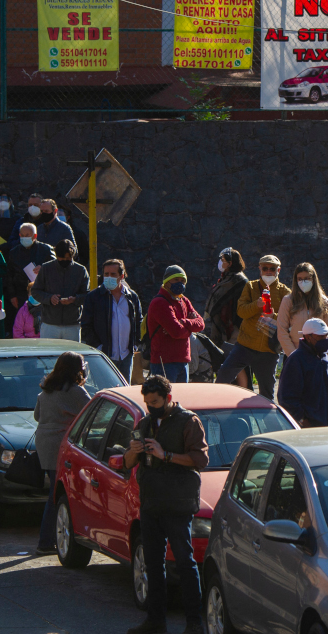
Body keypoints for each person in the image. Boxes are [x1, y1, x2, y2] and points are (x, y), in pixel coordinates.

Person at [124, 376, 209, 634]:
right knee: (153, 563)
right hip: (151, 502)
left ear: (168, 398)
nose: (151, 407)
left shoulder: (188, 421)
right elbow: (128, 462)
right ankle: (155, 621)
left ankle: (194, 623)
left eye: (156, 402)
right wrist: (134, 450)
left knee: (185, 562)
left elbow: (200, 459)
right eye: (148, 403)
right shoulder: (145, 423)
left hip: (178, 503)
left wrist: (166, 455)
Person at [33, 352, 92, 555]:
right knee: (55, 495)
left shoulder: (47, 389)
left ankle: (49, 540)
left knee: (55, 490)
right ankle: (45, 541)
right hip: (60, 444)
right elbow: (94, 412)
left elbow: (37, 415)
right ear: (78, 369)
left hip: (44, 442)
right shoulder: (75, 391)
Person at [214, 255, 289, 399]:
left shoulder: (285, 292)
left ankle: (266, 420)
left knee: (267, 393)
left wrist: (274, 316)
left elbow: (289, 319)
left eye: (272, 269)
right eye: (265, 268)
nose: (268, 271)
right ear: (260, 269)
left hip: (268, 351)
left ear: (278, 270)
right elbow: (240, 311)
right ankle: (214, 407)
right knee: (223, 377)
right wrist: (256, 305)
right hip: (245, 346)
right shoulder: (251, 286)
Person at [80, 259, 142, 380]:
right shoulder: (94, 297)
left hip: (126, 355)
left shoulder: (132, 296)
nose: (109, 277)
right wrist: (98, 347)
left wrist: (135, 344)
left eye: (113, 274)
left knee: (124, 391)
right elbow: (86, 325)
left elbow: (138, 321)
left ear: (121, 276)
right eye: (106, 274)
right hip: (104, 355)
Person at [146, 266, 205, 383]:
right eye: (176, 280)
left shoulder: (184, 301)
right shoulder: (160, 302)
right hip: (164, 363)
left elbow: (201, 324)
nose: (180, 283)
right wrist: (189, 329)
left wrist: (184, 322)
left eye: (182, 281)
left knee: (181, 400)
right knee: (166, 399)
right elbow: (177, 332)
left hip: (183, 361)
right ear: (167, 282)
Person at [277, 318, 328, 427]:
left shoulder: (325, 358)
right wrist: (302, 421)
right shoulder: (296, 360)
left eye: (326, 336)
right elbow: (286, 399)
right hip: (310, 427)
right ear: (308, 337)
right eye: (320, 336)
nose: (325, 339)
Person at [203, 247, 250, 387]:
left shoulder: (239, 280)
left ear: (230, 263)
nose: (220, 263)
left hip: (234, 329)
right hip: (221, 328)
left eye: (222, 260)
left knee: (236, 364)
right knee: (223, 362)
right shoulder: (225, 279)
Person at [31, 239, 89, 341]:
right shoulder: (46, 268)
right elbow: (35, 291)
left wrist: (74, 299)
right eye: (61, 258)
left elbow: (87, 295)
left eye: (68, 258)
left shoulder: (81, 270)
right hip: (49, 324)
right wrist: (49, 298)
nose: (64, 261)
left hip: (72, 324)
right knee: (49, 355)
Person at [276, 262, 328, 358]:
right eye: (300, 279)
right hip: (294, 355)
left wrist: (324, 353)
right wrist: (293, 355)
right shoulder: (288, 301)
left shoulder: (324, 302)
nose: (303, 282)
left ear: (313, 279)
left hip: (317, 355)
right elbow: (282, 330)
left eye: (307, 278)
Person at [5, 223, 55, 312]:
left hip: (42, 293)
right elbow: (9, 275)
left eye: (27, 235)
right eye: (22, 235)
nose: (24, 238)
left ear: (35, 236)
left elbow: (56, 267)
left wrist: (44, 268)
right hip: (21, 294)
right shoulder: (14, 253)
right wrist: (12, 296)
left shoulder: (46, 249)